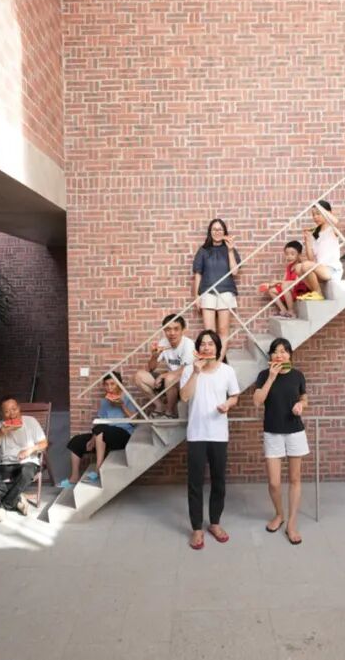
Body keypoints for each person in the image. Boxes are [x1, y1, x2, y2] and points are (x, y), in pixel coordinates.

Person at [179, 329, 240, 550]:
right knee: (195, 482)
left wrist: (228, 404)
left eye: (210, 344)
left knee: (218, 480)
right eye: (202, 344)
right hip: (196, 434)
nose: (206, 347)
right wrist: (196, 372)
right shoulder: (189, 370)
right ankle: (197, 528)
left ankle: (215, 523)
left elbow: (235, 396)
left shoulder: (227, 371)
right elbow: (184, 397)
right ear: (198, 349)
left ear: (217, 348)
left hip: (218, 434)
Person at [252, 338, 309, 545]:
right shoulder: (263, 375)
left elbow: (304, 398)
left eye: (284, 351)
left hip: (295, 432)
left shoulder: (298, 375)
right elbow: (257, 401)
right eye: (276, 351)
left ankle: (292, 523)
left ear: (290, 354)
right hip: (272, 432)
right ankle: (279, 514)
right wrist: (271, 377)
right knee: (274, 482)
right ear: (271, 356)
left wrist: (301, 405)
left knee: (295, 479)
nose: (280, 355)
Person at [59, 372, 138, 488]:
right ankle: (74, 477)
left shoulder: (127, 398)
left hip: (123, 435)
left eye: (112, 384)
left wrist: (122, 406)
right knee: (76, 441)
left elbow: (135, 422)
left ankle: (98, 470)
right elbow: (100, 422)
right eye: (106, 384)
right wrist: (93, 438)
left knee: (102, 429)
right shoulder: (105, 401)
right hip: (104, 434)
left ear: (119, 384)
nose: (109, 387)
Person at [0, 395, 48, 522]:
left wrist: (30, 450)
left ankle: (3, 507)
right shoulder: (0, 426)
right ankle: (18, 499)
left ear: (19, 408)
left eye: (14, 409)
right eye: (7, 411)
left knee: (26, 473)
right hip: (6, 465)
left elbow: (44, 443)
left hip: (28, 462)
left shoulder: (31, 421)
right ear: (2, 414)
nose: (12, 414)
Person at [192, 218, 241, 354]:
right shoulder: (203, 250)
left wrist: (230, 250)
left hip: (226, 292)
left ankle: (219, 360)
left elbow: (235, 272)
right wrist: (196, 296)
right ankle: (211, 359)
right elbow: (198, 274)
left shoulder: (230, 249)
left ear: (224, 232)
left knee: (223, 330)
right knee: (209, 332)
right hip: (207, 292)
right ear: (210, 232)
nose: (217, 232)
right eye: (214, 229)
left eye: (220, 229)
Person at [134, 313, 194, 418]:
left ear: (183, 330)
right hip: (169, 381)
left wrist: (163, 376)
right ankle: (160, 406)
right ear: (164, 330)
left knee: (170, 378)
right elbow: (151, 368)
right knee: (139, 376)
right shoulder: (163, 342)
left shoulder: (188, 344)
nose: (172, 333)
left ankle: (170, 412)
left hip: (184, 382)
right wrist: (154, 356)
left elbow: (184, 369)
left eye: (176, 329)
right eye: (168, 329)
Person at [293, 200, 342, 299]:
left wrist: (321, 208)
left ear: (328, 213)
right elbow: (311, 259)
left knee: (306, 265)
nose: (315, 217)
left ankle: (318, 294)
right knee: (298, 267)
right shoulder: (316, 235)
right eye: (313, 215)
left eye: (318, 214)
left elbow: (337, 222)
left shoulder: (332, 229)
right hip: (320, 270)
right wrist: (307, 241)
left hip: (332, 270)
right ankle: (316, 292)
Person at [262, 240, 311, 318]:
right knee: (271, 290)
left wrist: (278, 282)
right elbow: (284, 281)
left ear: (299, 255)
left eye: (292, 254)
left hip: (299, 290)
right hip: (288, 289)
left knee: (284, 285)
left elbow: (296, 282)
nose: (289, 256)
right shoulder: (289, 267)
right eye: (287, 254)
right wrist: (272, 284)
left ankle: (291, 311)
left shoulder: (300, 266)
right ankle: (283, 310)